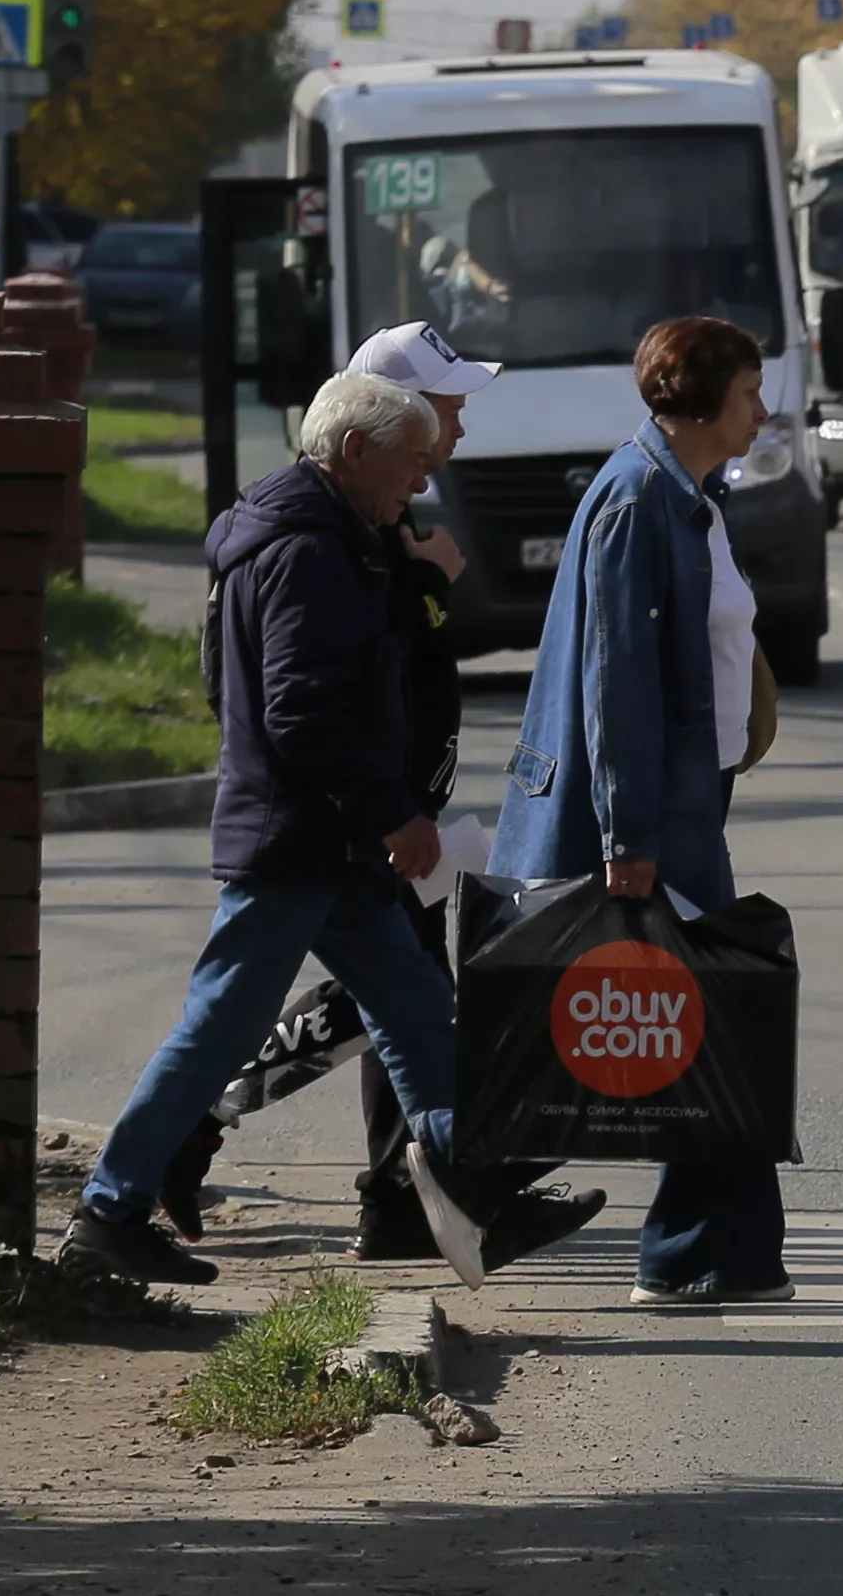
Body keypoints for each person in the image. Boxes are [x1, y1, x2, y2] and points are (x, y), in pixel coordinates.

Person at [57, 374, 601, 1292]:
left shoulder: (328, 534)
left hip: (330, 846)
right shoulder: (308, 550)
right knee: (218, 1029)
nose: (418, 486)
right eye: (410, 465)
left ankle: (470, 1190)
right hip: (299, 842)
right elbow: (300, 708)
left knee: (422, 1012)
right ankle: (107, 1213)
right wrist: (392, 812)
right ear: (355, 451)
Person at [163, 317, 505, 1257]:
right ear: (382, 417)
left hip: (389, 807)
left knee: (402, 993)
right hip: (355, 814)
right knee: (387, 994)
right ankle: (182, 1140)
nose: (454, 437)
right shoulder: (340, 533)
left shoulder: (377, 519)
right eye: (446, 410)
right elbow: (320, 685)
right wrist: (425, 589)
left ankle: (400, 1191)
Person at [493, 314, 792, 1308]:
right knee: (705, 1028)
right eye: (749, 391)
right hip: (645, 816)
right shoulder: (636, 499)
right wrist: (630, 839)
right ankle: (693, 1251)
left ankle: (716, 1254)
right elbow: (614, 680)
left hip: (687, 804)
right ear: (702, 401)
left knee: (707, 1025)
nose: (763, 409)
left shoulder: (688, 495)